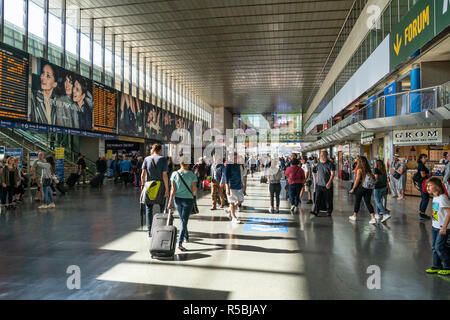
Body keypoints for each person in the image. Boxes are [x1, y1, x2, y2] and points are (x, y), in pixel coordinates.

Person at [167, 156, 197, 252]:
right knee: (184, 221)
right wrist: (191, 195)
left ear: (180, 163)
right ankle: (179, 243)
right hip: (188, 199)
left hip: (177, 199)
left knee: (182, 219)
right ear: (188, 164)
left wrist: (170, 202)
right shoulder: (192, 175)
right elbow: (194, 190)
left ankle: (186, 237)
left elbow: (173, 190)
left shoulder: (174, 174)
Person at [140, 144, 169, 236]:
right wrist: (167, 189)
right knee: (162, 208)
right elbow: (164, 175)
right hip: (160, 186)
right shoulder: (163, 159)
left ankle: (149, 230)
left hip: (149, 186)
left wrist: (142, 184)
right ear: (160, 150)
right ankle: (162, 229)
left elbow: (142, 174)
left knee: (149, 209)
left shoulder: (146, 159)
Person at [425, 178, 450, 275]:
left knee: (439, 247)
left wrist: (444, 227)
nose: (428, 188)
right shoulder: (435, 197)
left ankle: (448, 266)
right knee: (434, 247)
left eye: (430, 185)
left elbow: (449, 213)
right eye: (427, 186)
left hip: (443, 228)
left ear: (438, 186)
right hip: (435, 226)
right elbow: (436, 213)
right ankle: (436, 266)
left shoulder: (443, 198)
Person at [349, 156, 377, 224]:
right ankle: (373, 218)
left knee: (357, 201)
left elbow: (357, 180)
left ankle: (354, 216)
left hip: (361, 187)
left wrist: (353, 188)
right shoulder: (368, 169)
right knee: (368, 202)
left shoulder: (359, 169)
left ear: (359, 161)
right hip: (368, 188)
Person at [311, 151, 336, 217]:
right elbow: (317, 172)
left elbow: (333, 174)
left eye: (323, 155)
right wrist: (316, 180)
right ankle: (316, 211)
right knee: (317, 198)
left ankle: (329, 211)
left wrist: (329, 183)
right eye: (321, 155)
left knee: (328, 199)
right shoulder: (319, 164)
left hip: (327, 184)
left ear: (326, 156)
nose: (322, 157)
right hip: (319, 184)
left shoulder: (330, 164)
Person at [224, 153, 245, 224]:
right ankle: (233, 217)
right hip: (231, 186)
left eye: (236, 158)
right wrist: (227, 188)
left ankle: (229, 209)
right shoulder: (228, 166)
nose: (236, 159)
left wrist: (241, 183)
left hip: (238, 185)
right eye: (234, 158)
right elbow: (226, 177)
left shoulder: (237, 165)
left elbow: (239, 175)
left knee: (241, 200)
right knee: (232, 202)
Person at [417, 154, 432, 221]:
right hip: (423, 183)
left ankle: (421, 212)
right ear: (421, 158)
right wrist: (429, 174)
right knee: (426, 198)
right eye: (425, 157)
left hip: (422, 183)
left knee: (424, 197)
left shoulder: (421, 165)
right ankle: (422, 214)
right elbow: (423, 175)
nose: (426, 158)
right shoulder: (421, 165)